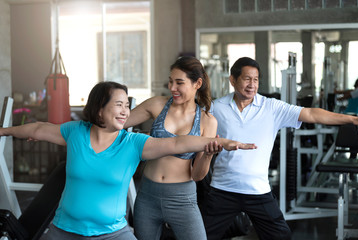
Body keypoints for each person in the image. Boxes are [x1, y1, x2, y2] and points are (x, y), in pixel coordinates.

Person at [0, 81, 257, 239]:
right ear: (100, 108)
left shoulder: (132, 143)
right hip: (63, 231)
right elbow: (37, 129)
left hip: (112, 234)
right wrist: (3, 131)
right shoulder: (75, 132)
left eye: (127, 105)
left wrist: (224, 142)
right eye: (119, 105)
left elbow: (178, 143)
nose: (126, 111)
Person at [200, 57, 358, 240]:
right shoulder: (216, 107)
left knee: (281, 237)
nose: (252, 84)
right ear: (233, 80)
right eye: (246, 79)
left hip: (258, 191)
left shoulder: (271, 107)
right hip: (223, 190)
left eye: (256, 79)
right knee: (199, 236)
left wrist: (353, 120)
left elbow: (310, 113)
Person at [123, 56, 219, 240]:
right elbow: (119, 123)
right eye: (170, 81)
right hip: (147, 196)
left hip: (182, 200)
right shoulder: (157, 105)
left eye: (179, 83)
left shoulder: (207, 121)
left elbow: (198, 175)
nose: (172, 88)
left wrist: (207, 156)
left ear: (197, 83)